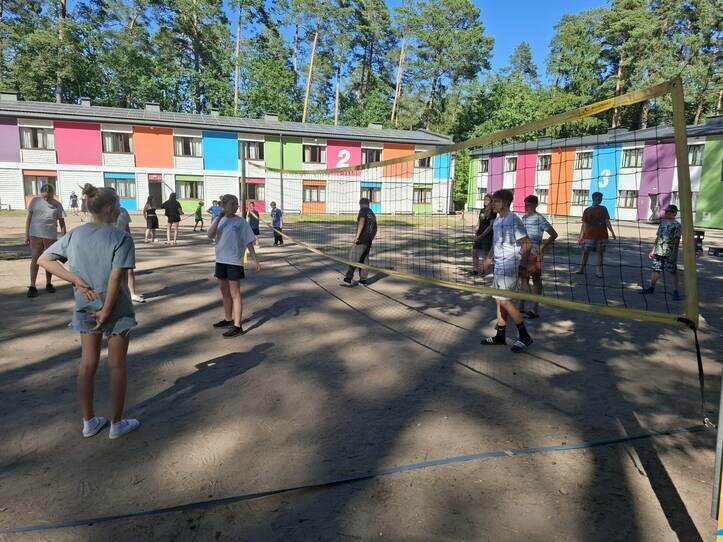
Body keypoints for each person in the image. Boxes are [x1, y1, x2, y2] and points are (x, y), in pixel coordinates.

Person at [37, 183, 140, 440]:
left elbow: (44, 259)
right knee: (117, 365)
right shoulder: (121, 238)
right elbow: (116, 278)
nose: (120, 209)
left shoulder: (75, 234)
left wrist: (74, 279)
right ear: (109, 208)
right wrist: (107, 309)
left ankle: (89, 421)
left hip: (85, 305)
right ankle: (116, 423)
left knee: (87, 363)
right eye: (118, 205)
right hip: (116, 309)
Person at [481, 189, 533, 353]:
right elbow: (495, 244)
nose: (493, 204)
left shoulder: (513, 220)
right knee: (499, 300)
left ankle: (525, 336)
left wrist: (523, 265)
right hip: (499, 265)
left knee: (505, 301)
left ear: (505, 203)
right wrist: (488, 260)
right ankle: (500, 336)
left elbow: (527, 243)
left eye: (496, 201)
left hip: (510, 265)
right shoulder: (497, 221)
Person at [207, 194, 261, 338]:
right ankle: (228, 319)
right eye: (232, 203)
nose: (235, 206)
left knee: (235, 294)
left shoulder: (241, 222)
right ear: (223, 205)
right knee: (224, 292)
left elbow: (249, 241)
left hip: (234, 262)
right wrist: (219, 218)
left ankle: (237, 326)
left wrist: (255, 260)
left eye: (236, 203)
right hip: (221, 261)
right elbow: (210, 235)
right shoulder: (219, 220)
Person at [519, 195, 558, 318]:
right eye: (525, 204)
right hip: (524, 253)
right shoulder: (524, 218)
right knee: (524, 279)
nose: (526, 207)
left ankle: (535, 309)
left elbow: (554, 234)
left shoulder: (540, 218)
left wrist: (543, 246)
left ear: (535, 205)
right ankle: (521, 306)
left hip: (535, 254)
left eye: (529, 205)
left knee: (536, 281)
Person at [25, 184, 66, 298]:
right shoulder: (35, 201)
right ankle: (32, 286)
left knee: (49, 260)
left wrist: (64, 237)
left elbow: (62, 222)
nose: (46, 198)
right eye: (44, 196)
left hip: (50, 236)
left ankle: (49, 283)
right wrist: (26, 234)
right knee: (35, 259)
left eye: (49, 196)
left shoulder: (57, 205)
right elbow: (29, 218)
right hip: (35, 235)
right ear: (41, 193)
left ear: (53, 194)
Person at [642, 204, 681, 300]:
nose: (666, 213)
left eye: (668, 211)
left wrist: (674, 254)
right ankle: (651, 287)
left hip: (669, 252)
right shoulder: (663, 223)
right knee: (656, 269)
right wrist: (653, 250)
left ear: (674, 213)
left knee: (672, 271)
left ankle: (676, 291)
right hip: (659, 251)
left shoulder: (677, 225)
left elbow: (677, 241)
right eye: (666, 211)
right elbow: (658, 236)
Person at [576, 192, 616, 278]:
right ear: (593, 198)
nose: (598, 199)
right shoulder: (587, 210)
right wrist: (581, 237)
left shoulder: (603, 209)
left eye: (600, 198)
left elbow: (607, 222)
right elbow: (584, 225)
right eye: (597, 198)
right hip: (589, 235)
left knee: (599, 253)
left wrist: (612, 233)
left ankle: (599, 272)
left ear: (601, 199)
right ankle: (581, 269)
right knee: (586, 252)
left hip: (601, 235)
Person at [342, 197, 378, 286]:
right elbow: (375, 228)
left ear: (360, 204)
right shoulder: (372, 214)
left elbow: (362, 221)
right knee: (364, 259)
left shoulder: (363, 210)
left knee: (354, 257)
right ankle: (363, 280)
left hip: (361, 239)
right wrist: (370, 238)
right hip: (368, 241)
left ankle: (348, 279)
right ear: (368, 204)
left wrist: (357, 237)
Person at [116, 207, 145, 303]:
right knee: (112, 270)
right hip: (110, 244)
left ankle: (132, 294)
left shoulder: (123, 211)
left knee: (129, 269)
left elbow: (127, 228)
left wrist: (129, 240)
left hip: (124, 243)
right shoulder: (104, 211)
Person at [471, 194, 496, 276]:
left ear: (491, 201)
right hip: (479, 235)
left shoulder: (493, 211)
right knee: (474, 252)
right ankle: (475, 270)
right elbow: (479, 222)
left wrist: (482, 235)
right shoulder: (482, 210)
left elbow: (490, 226)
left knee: (485, 255)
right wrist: (476, 233)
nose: (485, 201)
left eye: (487, 200)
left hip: (487, 236)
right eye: (484, 199)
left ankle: (483, 271)